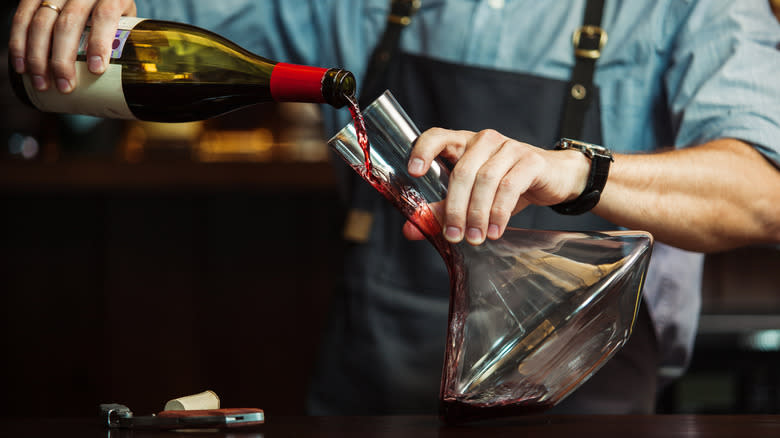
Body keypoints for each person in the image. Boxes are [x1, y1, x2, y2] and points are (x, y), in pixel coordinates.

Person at [9, 0, 780, 415]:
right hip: (367, 396)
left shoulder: (692, 7)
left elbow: (764, 192)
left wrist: (576, 173)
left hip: (589, 402)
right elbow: (136, 35)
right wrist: (91, 12)